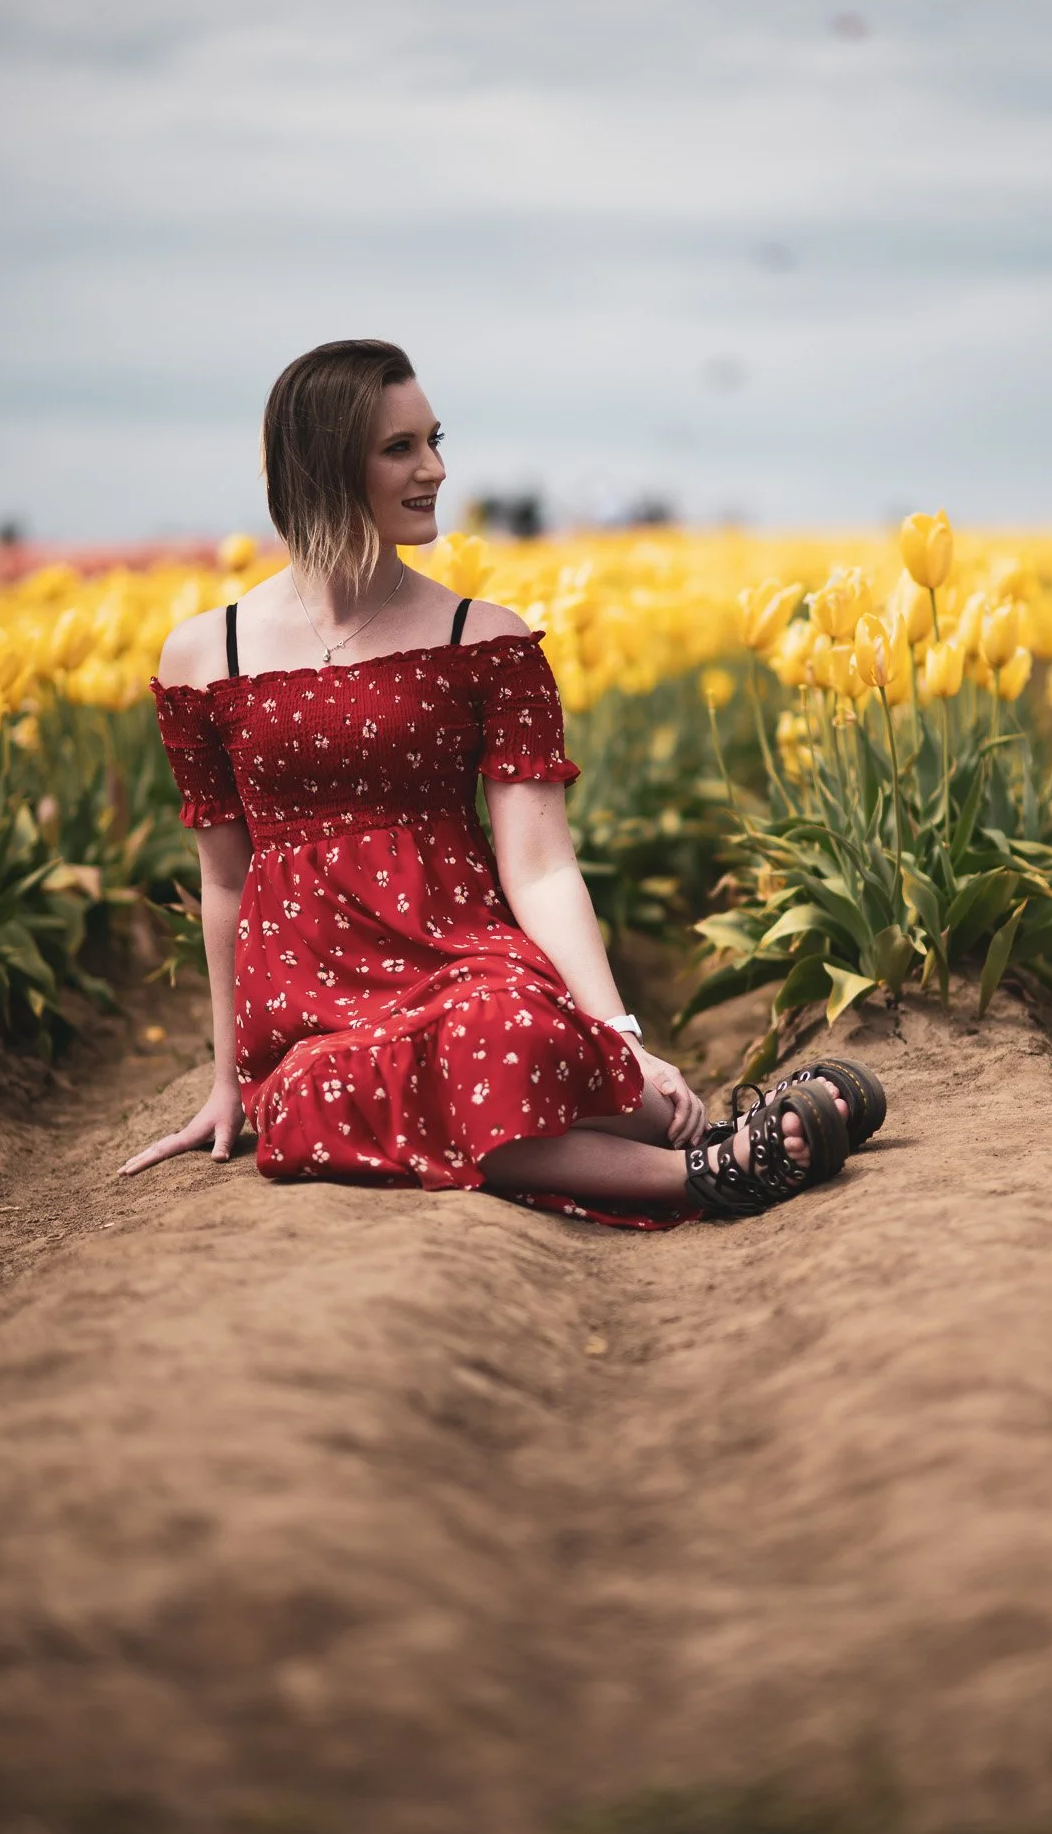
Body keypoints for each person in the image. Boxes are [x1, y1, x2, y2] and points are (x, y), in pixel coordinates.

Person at [120, 340, 874, 1226]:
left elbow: (543, 865)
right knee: (308, 1109)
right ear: (323, 462)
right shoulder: (207, 653)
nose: (435, 469)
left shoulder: (483, 638)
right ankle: (716, 1166)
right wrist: (228, 1079)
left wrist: (620, 1035)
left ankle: (706, 1148)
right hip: (309, 1001)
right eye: (399, 448)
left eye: (434, 440)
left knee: (496, 1039)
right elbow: (223, 880)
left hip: (458, 961)